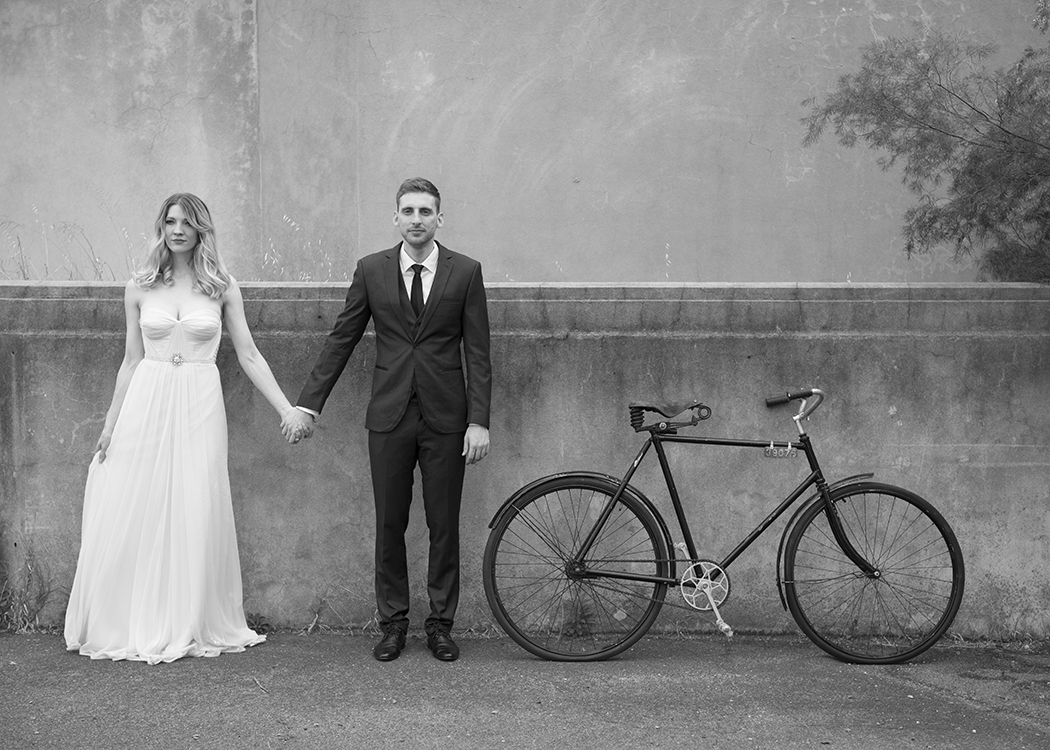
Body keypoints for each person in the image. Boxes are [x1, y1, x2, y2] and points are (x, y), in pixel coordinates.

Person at [64, 193, 301, 664]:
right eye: (170, 221)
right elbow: (131, 361)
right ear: (162, 226)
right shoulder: (138, 286)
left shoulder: (222, 286)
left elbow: (249, 354)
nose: (177, 230)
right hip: (146, 401)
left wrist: (286, 408)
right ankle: (133, 621)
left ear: (201, 230)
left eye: (187, 223)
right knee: (140, 503)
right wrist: (110, 426)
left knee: (196, 502)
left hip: (199, 400)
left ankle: (188, 619)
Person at [283, 178, 492, 662]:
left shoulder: (466, 272)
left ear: (440, 218)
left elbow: (478, 353)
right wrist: (308, 404)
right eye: (407, 211)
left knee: (444, 526)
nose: (416, 219)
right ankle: (393, 623)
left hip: (447, 419)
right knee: (389, 524)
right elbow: (342, 339)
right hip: (389, 417)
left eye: (425, 211)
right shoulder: (371, 271)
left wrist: (478, 420)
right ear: (395, 218)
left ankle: (440, 624)